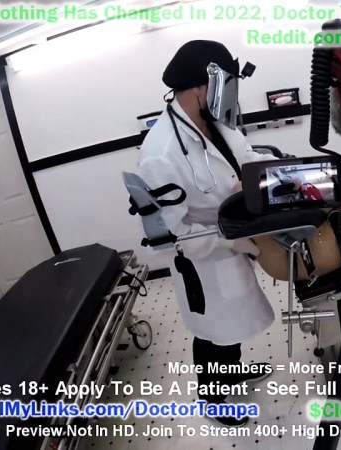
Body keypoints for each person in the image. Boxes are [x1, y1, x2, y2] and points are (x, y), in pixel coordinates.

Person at [136, 40, 276, 427]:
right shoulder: (160, 153)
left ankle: (232, 375)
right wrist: (237, 235)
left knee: (233, 326)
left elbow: (245, 158)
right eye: (227, 84)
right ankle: (213, 399)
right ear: (203, 87)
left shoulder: (215, 124)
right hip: (204, 261)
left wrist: (276, 170)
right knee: (214, 332)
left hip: (232, 245)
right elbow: (175, 235)